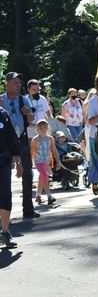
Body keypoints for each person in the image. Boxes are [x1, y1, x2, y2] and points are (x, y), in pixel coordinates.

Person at [0, 72, 40, 219]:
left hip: (20, 141)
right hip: (4, 144)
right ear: (7, 85)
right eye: (15, 82)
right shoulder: (1, 100)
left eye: (19, 82)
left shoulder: (23, 100)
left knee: (27, 174)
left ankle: (28, 209)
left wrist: (29, 114)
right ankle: (3, 213)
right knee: (3, 178)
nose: (18, 85)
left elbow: (31, 121)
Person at [0, 106, 23, 248]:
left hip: (3, 162)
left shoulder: (3, 114)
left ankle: (5, 232)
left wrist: (18, 162)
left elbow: (12, 139)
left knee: (5, 196)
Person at [31, 119, 61, 205]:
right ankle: (49, 196)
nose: (43, 129)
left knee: (41, 178)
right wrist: (29, 162)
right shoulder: (35, 140)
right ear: (37, 129)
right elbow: (32, 151)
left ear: (48, 128)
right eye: (41, 128)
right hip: (38, 161)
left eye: (45, 127)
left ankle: (38, 196)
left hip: (46, 161)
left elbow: (54, 150)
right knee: (45, 176)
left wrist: (58, 161)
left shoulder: (50, 139)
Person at [26, 79, 52, 145]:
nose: (36, 92)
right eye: (33, 90)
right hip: (31, 127)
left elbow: (48, 113)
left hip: (42, 127)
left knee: (45, 145)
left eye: (37, 89)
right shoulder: (25, 100)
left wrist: (50, 124)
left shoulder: (42, 99)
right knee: (32, 146)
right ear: (29, 90)